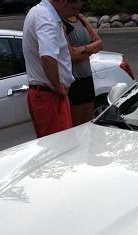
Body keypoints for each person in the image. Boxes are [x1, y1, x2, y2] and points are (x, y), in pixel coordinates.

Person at [22, 0, 76, 138]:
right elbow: (47, 56)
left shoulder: (39, 12)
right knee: (61, 148)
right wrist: (58, 87)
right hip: (50, 95)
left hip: (45, 93)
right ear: (64, 2)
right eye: (74, 8)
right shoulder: (46, 17)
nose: (74, 14)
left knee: (54, 148)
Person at [65, 1, 103, 126]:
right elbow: (71, 56)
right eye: (74, 3)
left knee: (88, 123)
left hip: (87, 76)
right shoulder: (61, 23)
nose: (77, 6)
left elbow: (100, 44)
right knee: (77, 126)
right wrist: (91, 49)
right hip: (74, 80)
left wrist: (83, 48)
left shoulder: (81, 19)